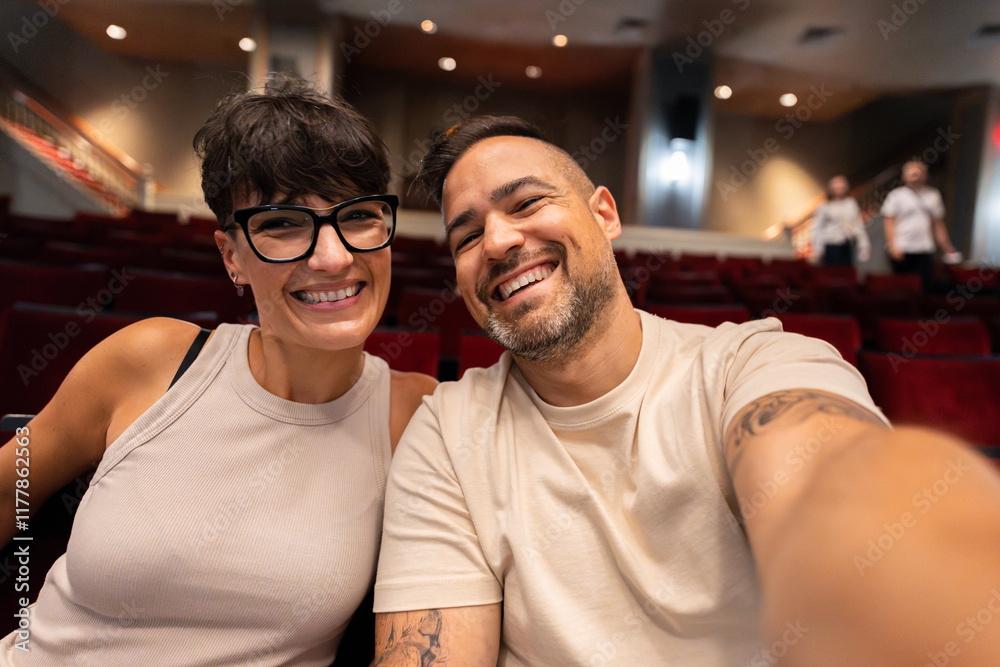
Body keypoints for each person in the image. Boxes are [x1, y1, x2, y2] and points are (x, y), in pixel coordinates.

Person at [370, 115, 1000, 665]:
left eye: (528, 203)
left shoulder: (754, 364)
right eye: (467, 236)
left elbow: (834, 478)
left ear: (604, 214)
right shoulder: (447, 431)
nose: (498, 241)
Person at [0, 75, 436, 665]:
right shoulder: (148, 358)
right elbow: (10, 488)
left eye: (358, 216)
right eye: (282, 224)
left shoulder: (413, 415)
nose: (334, 257)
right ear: (232, 256)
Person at [881, 159, 958, 289]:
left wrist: (946, 246)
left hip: (924, 248)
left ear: (925, 175)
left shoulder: (933, 195)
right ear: (904, 176)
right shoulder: (896, 196)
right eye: (912, 173)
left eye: (918, 173)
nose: (915, 176)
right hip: (903, 247)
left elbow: (938, 224)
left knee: (924, 286)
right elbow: (889, 222)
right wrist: (893, 245)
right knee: (902, 286)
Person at [810, 175, 870, 266]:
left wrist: (864, 244)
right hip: (831, 246)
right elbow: (817, 228)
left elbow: (858, 224)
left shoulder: (851, 203)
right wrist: (817, 250)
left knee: (847, 271)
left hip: (847, 245)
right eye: (836, 184)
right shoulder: (825, 206)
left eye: (841, 184)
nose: (839, 187)